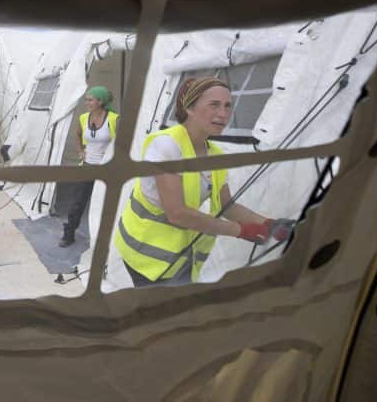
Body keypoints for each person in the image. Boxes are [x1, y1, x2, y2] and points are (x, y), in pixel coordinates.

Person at [114, 76, 291, 287]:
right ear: (189, 108)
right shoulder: (167, 147)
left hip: (179, 256)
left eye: (227, 106)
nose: (223, 114)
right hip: (145, 254)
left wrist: (267, 224)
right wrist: (241, 231)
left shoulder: (214, 155)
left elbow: (227, 205)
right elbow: (177, 213)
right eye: (214, 105)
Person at [60, 86, 119, 247]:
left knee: (103, 204)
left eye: (90, 99)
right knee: (77, 202)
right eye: (87, 99)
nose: (87, 103)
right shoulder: (84, 118)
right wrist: (80, 151)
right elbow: (78, 135)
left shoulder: (113, 119)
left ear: (100, 102)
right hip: (87, 166)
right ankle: (69, 233)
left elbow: (121, 144)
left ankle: (105, 239)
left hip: (106, 170)